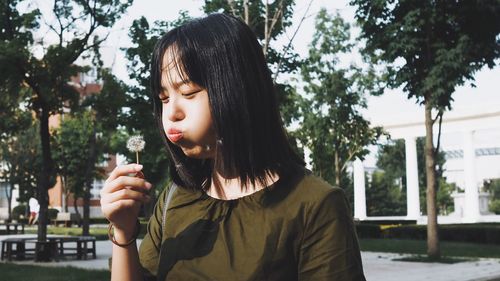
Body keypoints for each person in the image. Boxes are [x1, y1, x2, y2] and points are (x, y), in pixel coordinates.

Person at [100, 13, 366, 281]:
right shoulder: (174, 199)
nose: (172, 113)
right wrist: (123, 231)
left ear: (238, 88)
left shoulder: (314, 205)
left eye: (189, 93)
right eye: (164, 98)